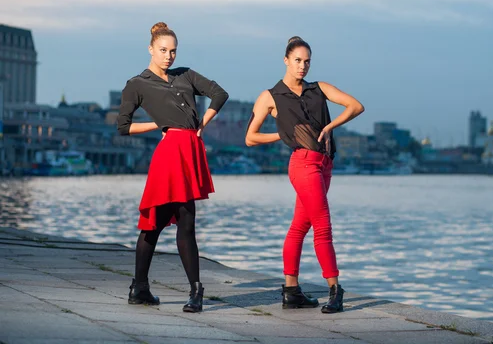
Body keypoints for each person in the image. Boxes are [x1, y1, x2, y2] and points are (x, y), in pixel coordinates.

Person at [245, 36, 364, 313]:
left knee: (300, 226)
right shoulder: (270, 96)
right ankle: (335, 289)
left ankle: (291, 291)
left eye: (307, 61)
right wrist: (282, 134)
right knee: (323, 227)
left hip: (325, 165)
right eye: (297, 60)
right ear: (286, 60)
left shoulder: (318, 88)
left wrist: (330, 126)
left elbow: (356, 106)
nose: (302, 66)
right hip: (302, 164)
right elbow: (250, 138)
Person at [117, 22, 228, 313]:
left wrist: (203, 124)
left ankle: (149, 288)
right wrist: (158, 124)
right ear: (151, 49)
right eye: (163, 50)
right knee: (156, 222)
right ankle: (155, 288)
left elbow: (219, 94)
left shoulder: (186, 75)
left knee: (184, 221)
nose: (169, 56)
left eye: (173, 51)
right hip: (169, 154)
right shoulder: (137, 84)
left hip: (190, 150)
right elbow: (123, 127)